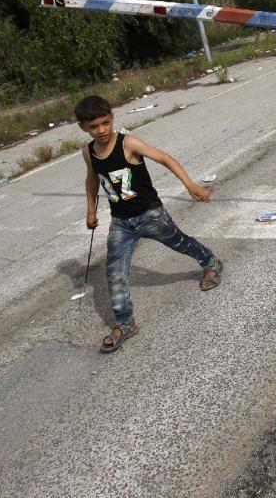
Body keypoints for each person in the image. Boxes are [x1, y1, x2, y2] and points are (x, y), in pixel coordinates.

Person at [75, 95, 223, 353]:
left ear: (112, 118)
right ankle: (125, 323)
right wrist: (90, 211)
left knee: (181, 243)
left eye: (105, 123)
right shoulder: (88, 152)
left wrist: (190, 185)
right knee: (115, 271)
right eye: (94, 126)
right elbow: (92, 179)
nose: (100, 130)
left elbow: (164, 158)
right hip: (121, 222)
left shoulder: (128, 143)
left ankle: (210, 262)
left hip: (150, 214)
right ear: (83, 127)